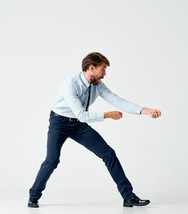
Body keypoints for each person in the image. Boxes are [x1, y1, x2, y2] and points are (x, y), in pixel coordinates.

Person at [28, 52, 162, 208]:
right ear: (91, 68)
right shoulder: (69, 84)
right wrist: (108, 115)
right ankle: (33, 196)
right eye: (103, 69)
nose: (104, 74)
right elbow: (82, 114)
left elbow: (116, 100)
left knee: (108, 153)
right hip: (59, 123)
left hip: (78, 125)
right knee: (52, 160)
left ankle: (128, 196)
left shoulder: (97, 85)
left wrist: (145, 111)